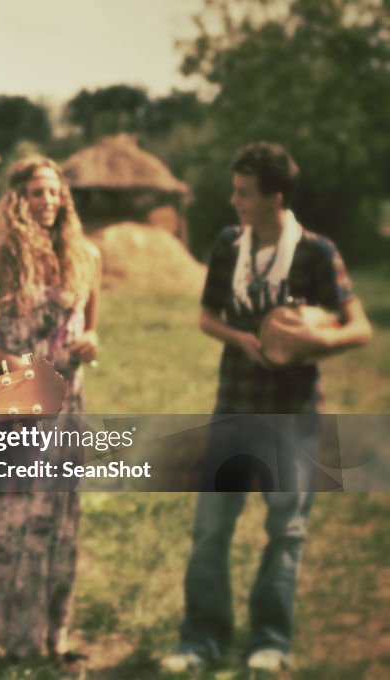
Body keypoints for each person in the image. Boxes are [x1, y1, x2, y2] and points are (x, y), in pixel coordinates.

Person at [161, 142, 372, 674]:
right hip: (233, 408)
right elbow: (207, 318)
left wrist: (310, 341)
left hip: (294, 416)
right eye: (235, 191)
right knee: (211, 529)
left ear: (276, 197)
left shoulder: (317, 253)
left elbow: (360, 327)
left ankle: (270, 641)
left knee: (286, 531)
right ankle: (200, 640)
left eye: (244, 193)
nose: (234, 202)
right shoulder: (230, 246)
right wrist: (244, 338)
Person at [0, 156, 100, 664]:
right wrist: (18, 369)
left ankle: (54, 635)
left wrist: (91, 343)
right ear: (18, 200)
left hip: (68, 403)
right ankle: (8, 637)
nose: (47, 201)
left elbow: (91, 328)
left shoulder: (87, 254)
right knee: (9, 520)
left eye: (54, 191)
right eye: (36, 193)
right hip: (15, 397)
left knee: (59, 517)